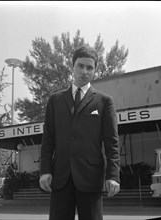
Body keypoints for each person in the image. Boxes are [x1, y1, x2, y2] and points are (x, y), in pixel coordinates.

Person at [39, 46, 120, 220]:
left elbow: (112, 142)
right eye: (80, 66)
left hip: (91, 178)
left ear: (95, 71)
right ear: (73, 67)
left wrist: (113, 176)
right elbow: (48, 140)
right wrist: (45, 170)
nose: (84, 71)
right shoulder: (55, 100)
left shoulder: (105, 101)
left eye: (90, 67)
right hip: (60, 178)